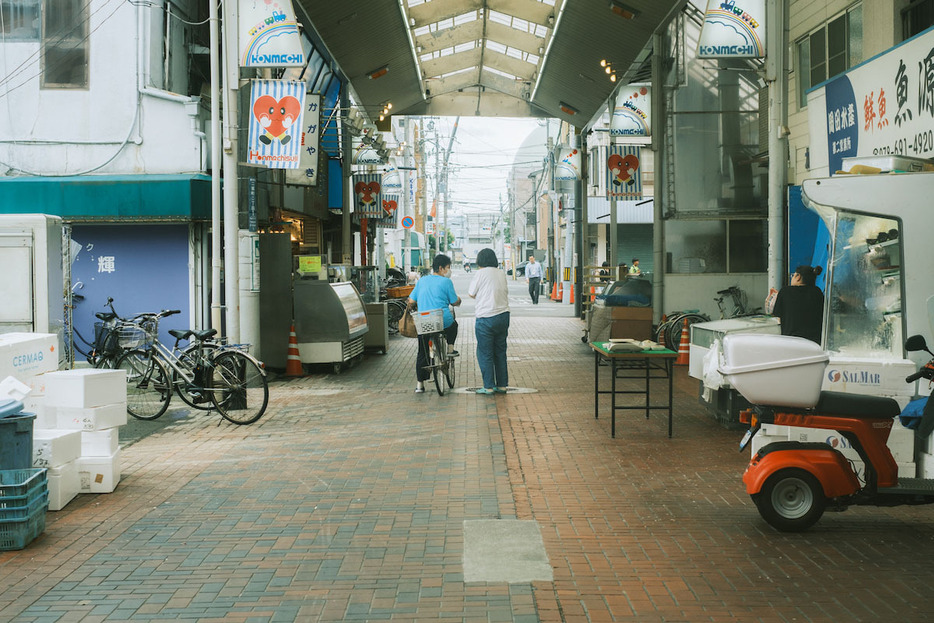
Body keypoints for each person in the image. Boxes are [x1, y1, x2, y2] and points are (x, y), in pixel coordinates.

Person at [406, 254, 461, 393]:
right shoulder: (446, 282)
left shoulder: (422, 281)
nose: (449, 271)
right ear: (441, 268)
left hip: (424, 322)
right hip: (442, 320)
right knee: (454, 325)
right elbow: (454, 301)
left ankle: (420, 385)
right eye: (448, 268)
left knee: (422, 352)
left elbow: (411, 301)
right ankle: (449, 348)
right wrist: (459, 300)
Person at [468, 248, 510, 395]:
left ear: (480, 261)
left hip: (485, 317)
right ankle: (502, 385)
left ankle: (488, 386)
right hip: (503, 316)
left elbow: (471, 293)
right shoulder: (501, 273)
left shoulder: (480, 273)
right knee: (500, 351)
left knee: (485, 352)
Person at [771, 265, 825, 344]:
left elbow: (777, 315)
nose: (792, 278)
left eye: (793, 275)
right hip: (815, 343)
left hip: (791, 342)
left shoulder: (785, 292)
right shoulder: (817, 292)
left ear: (798, 277)